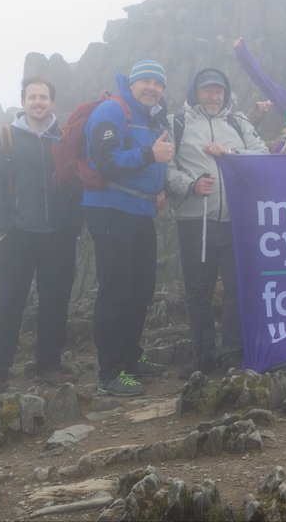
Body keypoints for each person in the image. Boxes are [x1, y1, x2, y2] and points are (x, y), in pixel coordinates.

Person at [0, 77, 81, 396]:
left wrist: (73, 225)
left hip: (59, 235)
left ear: (53, 103)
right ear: (23, 101)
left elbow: (78, 180)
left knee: (55, 303)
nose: (38, 102)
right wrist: (4, 228)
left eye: (44, 97)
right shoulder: (6, 137)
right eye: (32, 97)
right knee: (9, 304)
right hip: (18, 235)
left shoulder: (64, 137)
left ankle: (48, 366)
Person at [83, 60, 177, 397]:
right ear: (132, 83)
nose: (152, 87)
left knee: (140, 290)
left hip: (140, 211)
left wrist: (159, 186)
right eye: (145, 81)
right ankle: (110, 373)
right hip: (110, 210)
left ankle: (130, 358)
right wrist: (151, 156)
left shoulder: (151, 117)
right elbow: (106, 162)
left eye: (158, 83)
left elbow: (148, 162)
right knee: (116, 291)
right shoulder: (112, 110)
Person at [167, 67, 269, 376]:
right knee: (198, 292)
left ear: (225, 94)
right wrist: (190, 184)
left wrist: (231, 152)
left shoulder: (239, 122)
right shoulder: (178, 123)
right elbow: (166, 166)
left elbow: (263, 155)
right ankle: (202, 358)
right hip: (194, 220)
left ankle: (232, 356)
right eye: (206, 90)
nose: (213, 96)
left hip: (235, 221)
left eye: (218, 90)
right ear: (195, 93)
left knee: (236, 290)